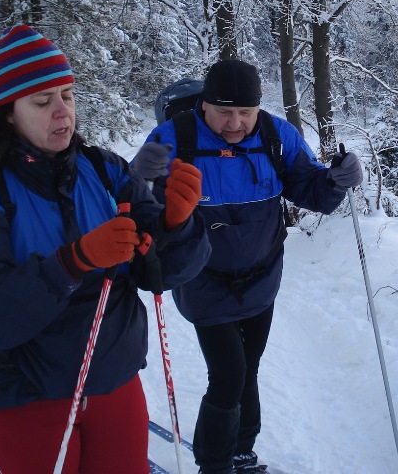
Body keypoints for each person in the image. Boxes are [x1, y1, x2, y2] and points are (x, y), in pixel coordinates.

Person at [0, 24, 211, 474]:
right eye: (42, 102)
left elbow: (161, 272)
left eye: (67, 95)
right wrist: (76, 260)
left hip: (111, 380)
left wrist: (176, 225)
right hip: (22, 395)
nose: (61, 112)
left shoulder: (104, 171)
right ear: (8, 113)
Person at [133, 59, 363, 474]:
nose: (235, 123)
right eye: (224, 112)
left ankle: (241, 450)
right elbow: (139, 209)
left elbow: (307, 187)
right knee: (229, 374)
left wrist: (335, 180)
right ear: (204, 105)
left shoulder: (277, 136)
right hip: (202, 279)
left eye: (245, 112)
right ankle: (215, 463)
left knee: (248, 369)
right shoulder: (174, 138)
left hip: (261, 277)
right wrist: (138, 177)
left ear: (258, 108)